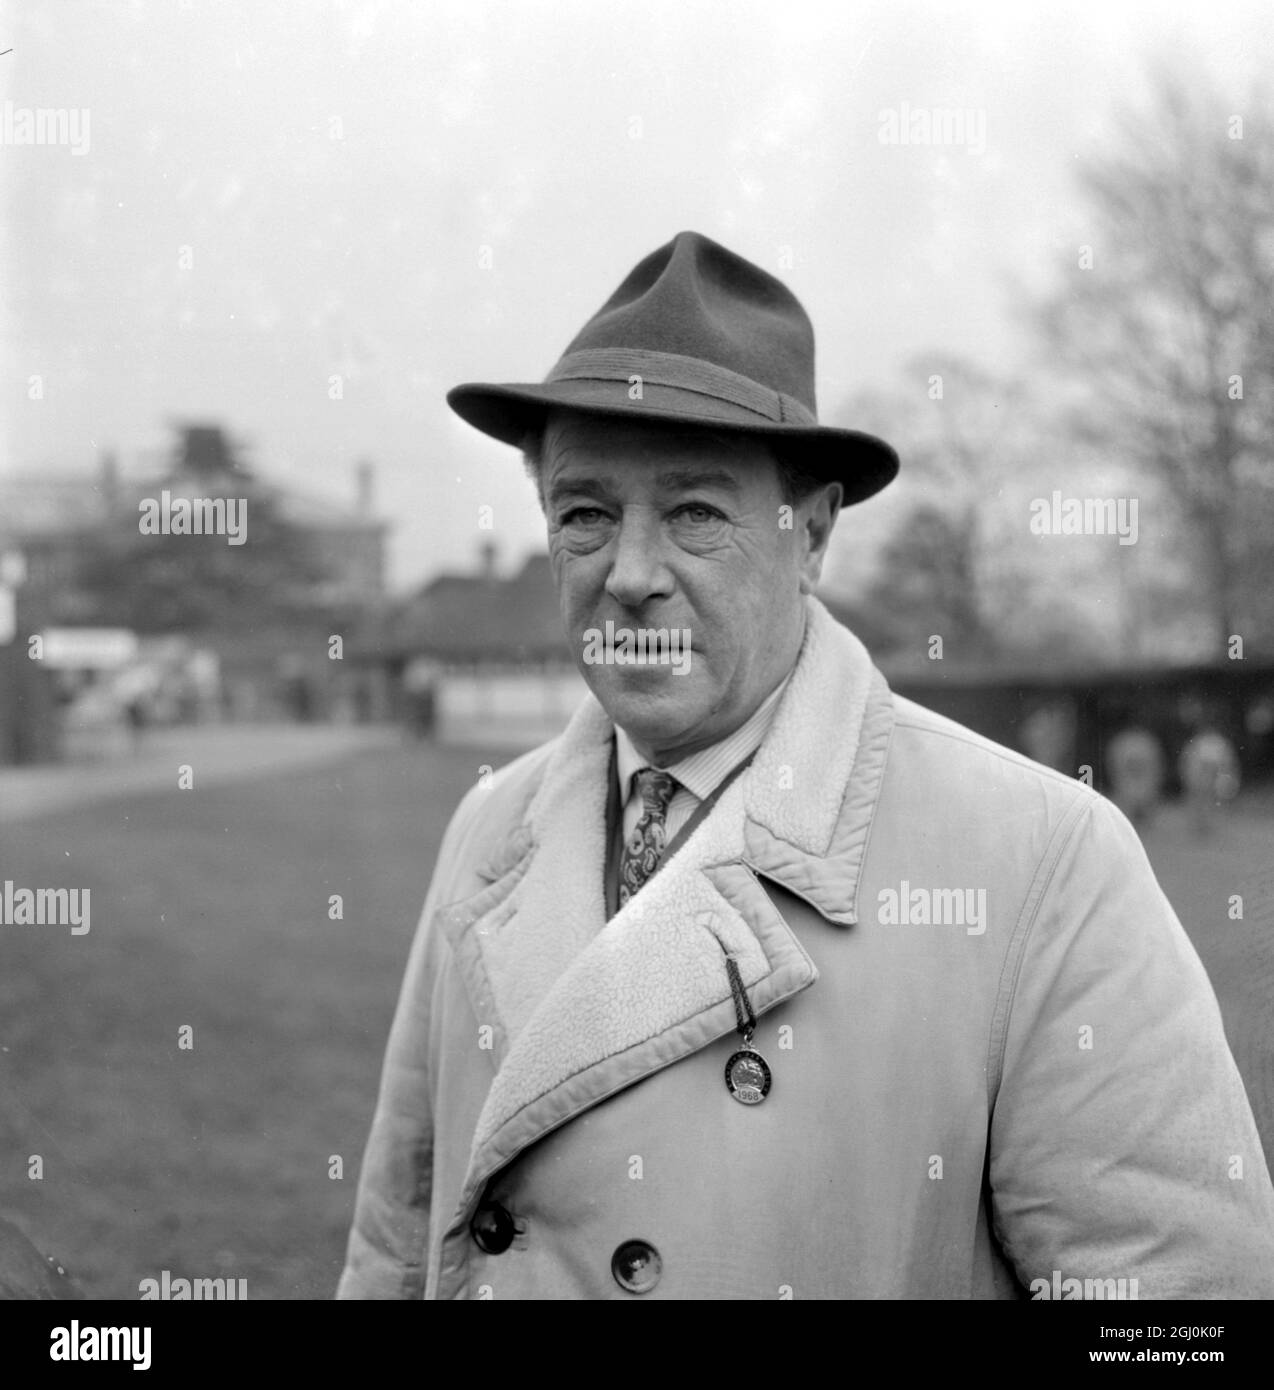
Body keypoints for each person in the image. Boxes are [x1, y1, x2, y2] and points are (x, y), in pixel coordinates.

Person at [338, 231, 1274, 1299]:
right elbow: (393, 1239)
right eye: (586, 512)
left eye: (695, 513)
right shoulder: (487, 830)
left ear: (812, 534)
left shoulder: (1039, 859)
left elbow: (1181, 1297)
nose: (630, 573)